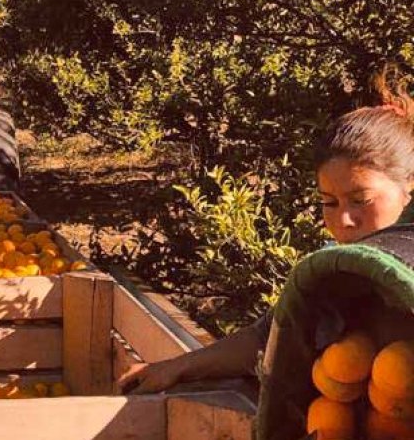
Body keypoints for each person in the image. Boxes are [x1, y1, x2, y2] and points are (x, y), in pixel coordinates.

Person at [119, 72, 414, 395]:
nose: (343, 218)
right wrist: (176, 367)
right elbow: (270, 337)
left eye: (361, 200)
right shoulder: (334, 277)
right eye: (329, 202)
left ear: (409, 186)